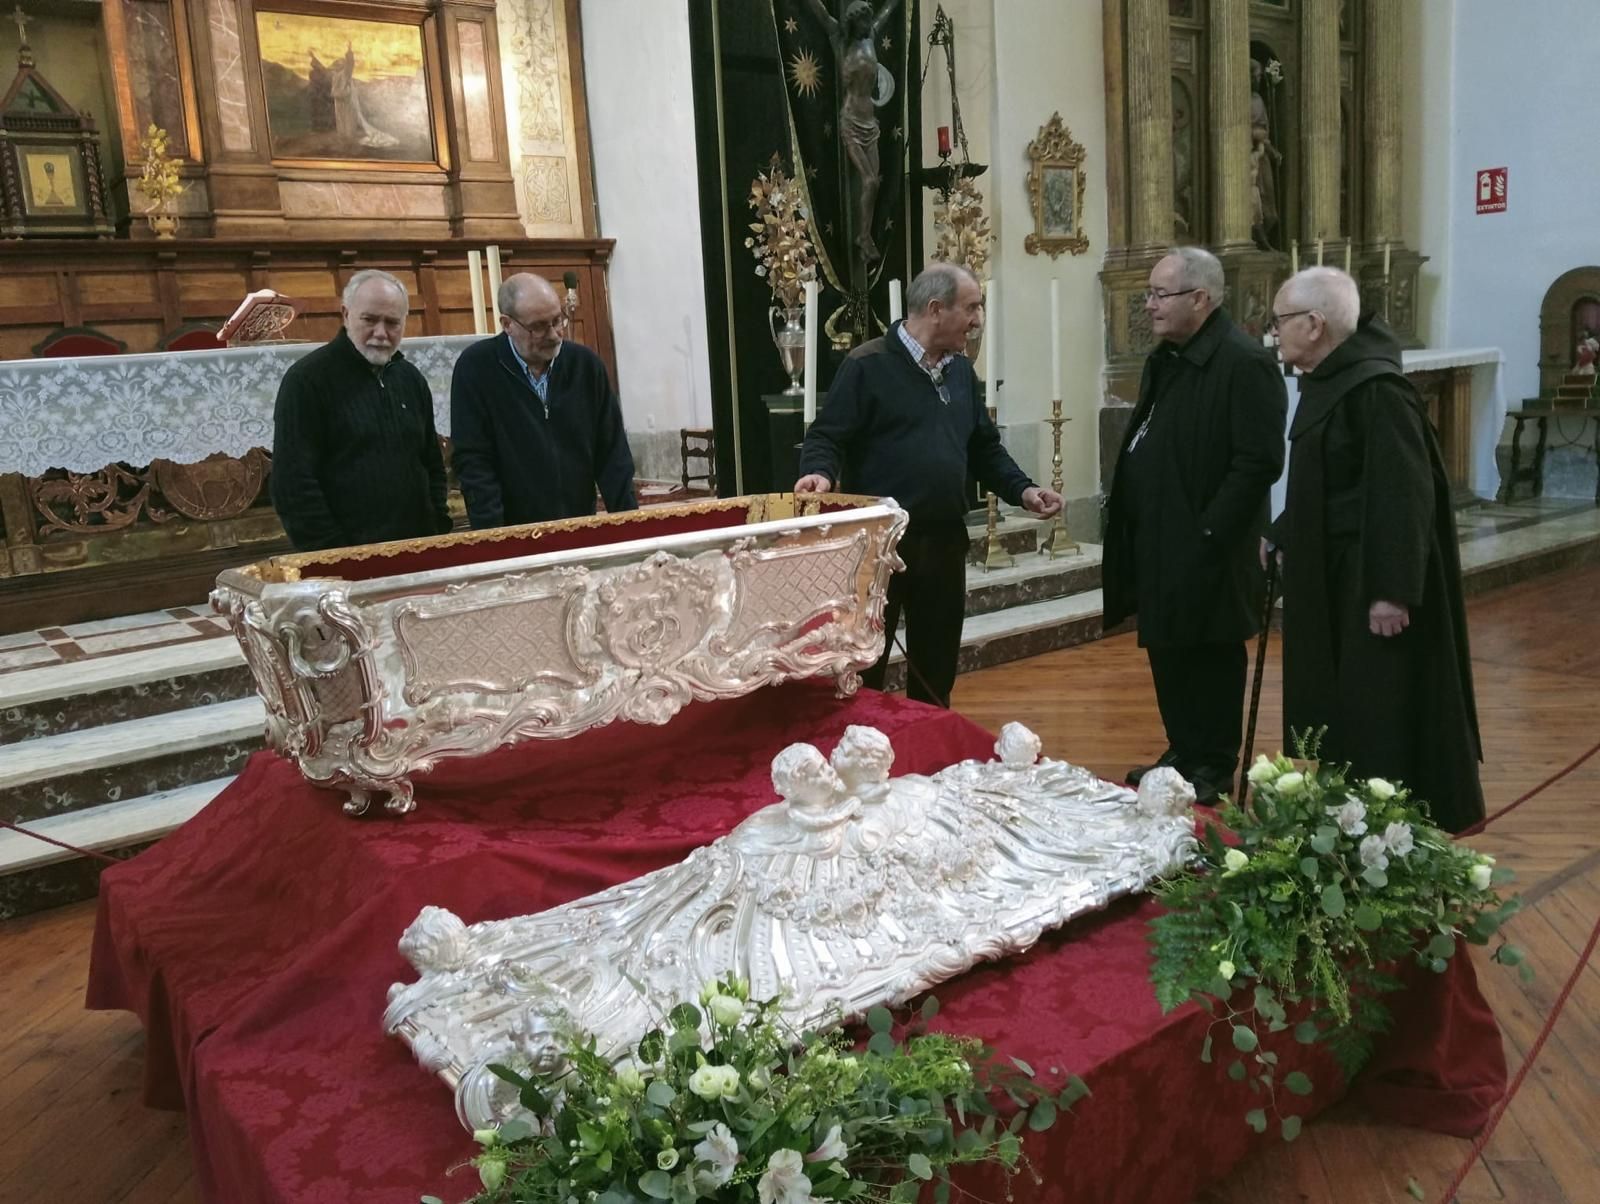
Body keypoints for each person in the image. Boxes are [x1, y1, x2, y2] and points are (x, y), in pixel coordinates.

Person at [1267, 267, 1484, 832]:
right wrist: (1282, 532)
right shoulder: (1328, 381)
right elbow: (1331, 485)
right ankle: (1350, 818)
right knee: (1348, 709)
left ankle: (1391, 829)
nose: (1275, 333)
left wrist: (1391, 590)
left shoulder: (1376, 390)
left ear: (1315, 325)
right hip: (1335, 580)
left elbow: (1401, 495)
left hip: (1369, 587)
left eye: (1280, 321)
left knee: (1379, 709)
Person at [794, 262, 1062, 708]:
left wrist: (1025, 490)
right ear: (937, 309)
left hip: (942, 540)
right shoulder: (867, 365)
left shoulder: (961, 373)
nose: (978, 321)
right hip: (879, 545)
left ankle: (930, 761)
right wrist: (819, 471)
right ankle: (864, 755)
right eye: (972, 308)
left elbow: (984, 449)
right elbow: (827, 435)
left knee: (936, 667)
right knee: (867, 665)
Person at [1101, 247, 1287, 803]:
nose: (1149, 306)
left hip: (1209, 543)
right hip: (1160, 535)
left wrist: (1208, 532)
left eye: (1161, 295)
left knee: (1209, 652)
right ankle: (1182, 749)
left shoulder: (1243, 362)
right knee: (1169, 646)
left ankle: (1212, 764)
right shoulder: (1169, 356)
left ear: (1201, 299)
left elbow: (1257, 463)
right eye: (1150, 294)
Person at [270, 269, 450, 552]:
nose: (381, 333)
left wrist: (437, 525)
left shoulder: (410, 378)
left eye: (392, 322)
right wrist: (334, 553)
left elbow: (432, 463)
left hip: (420, 548)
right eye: (369, 320)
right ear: (345, 314)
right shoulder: (307, 380)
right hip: (347, 556)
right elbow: (293, 485)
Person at [450, 272, 636, 528]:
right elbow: (473, 459)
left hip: (578, 522)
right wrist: (492, 537)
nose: (554, 335)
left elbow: (612, 451)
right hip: (512, 529)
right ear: (507, 324)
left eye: (557, 320)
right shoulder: (476, 368)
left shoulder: (585, 365)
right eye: (538, 326)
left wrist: (628, 524)